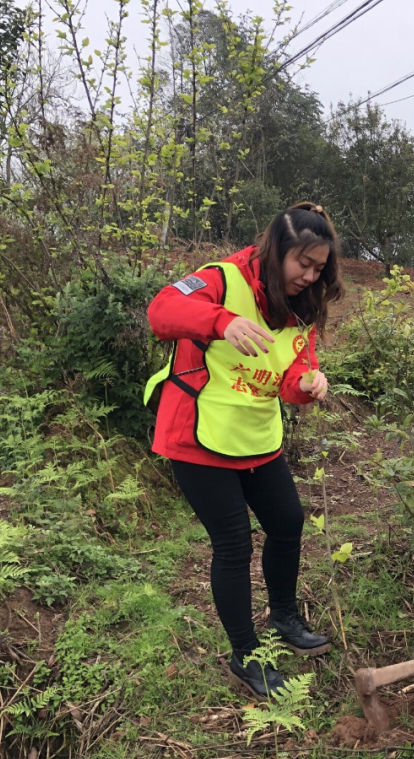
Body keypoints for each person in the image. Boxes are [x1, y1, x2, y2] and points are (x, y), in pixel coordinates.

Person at [144, 202, 343, 696]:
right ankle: (245, 655)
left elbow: (289, 378)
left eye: (320, 268)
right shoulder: (220, 278)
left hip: (255, 433)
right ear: (279, 248)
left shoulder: (301, 306)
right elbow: (161, 310)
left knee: (287, 522)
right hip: (198, 433)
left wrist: (308, 384)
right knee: (232, 542)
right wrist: (221, 321)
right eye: (304, 263)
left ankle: (283, 618)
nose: (310, 275)